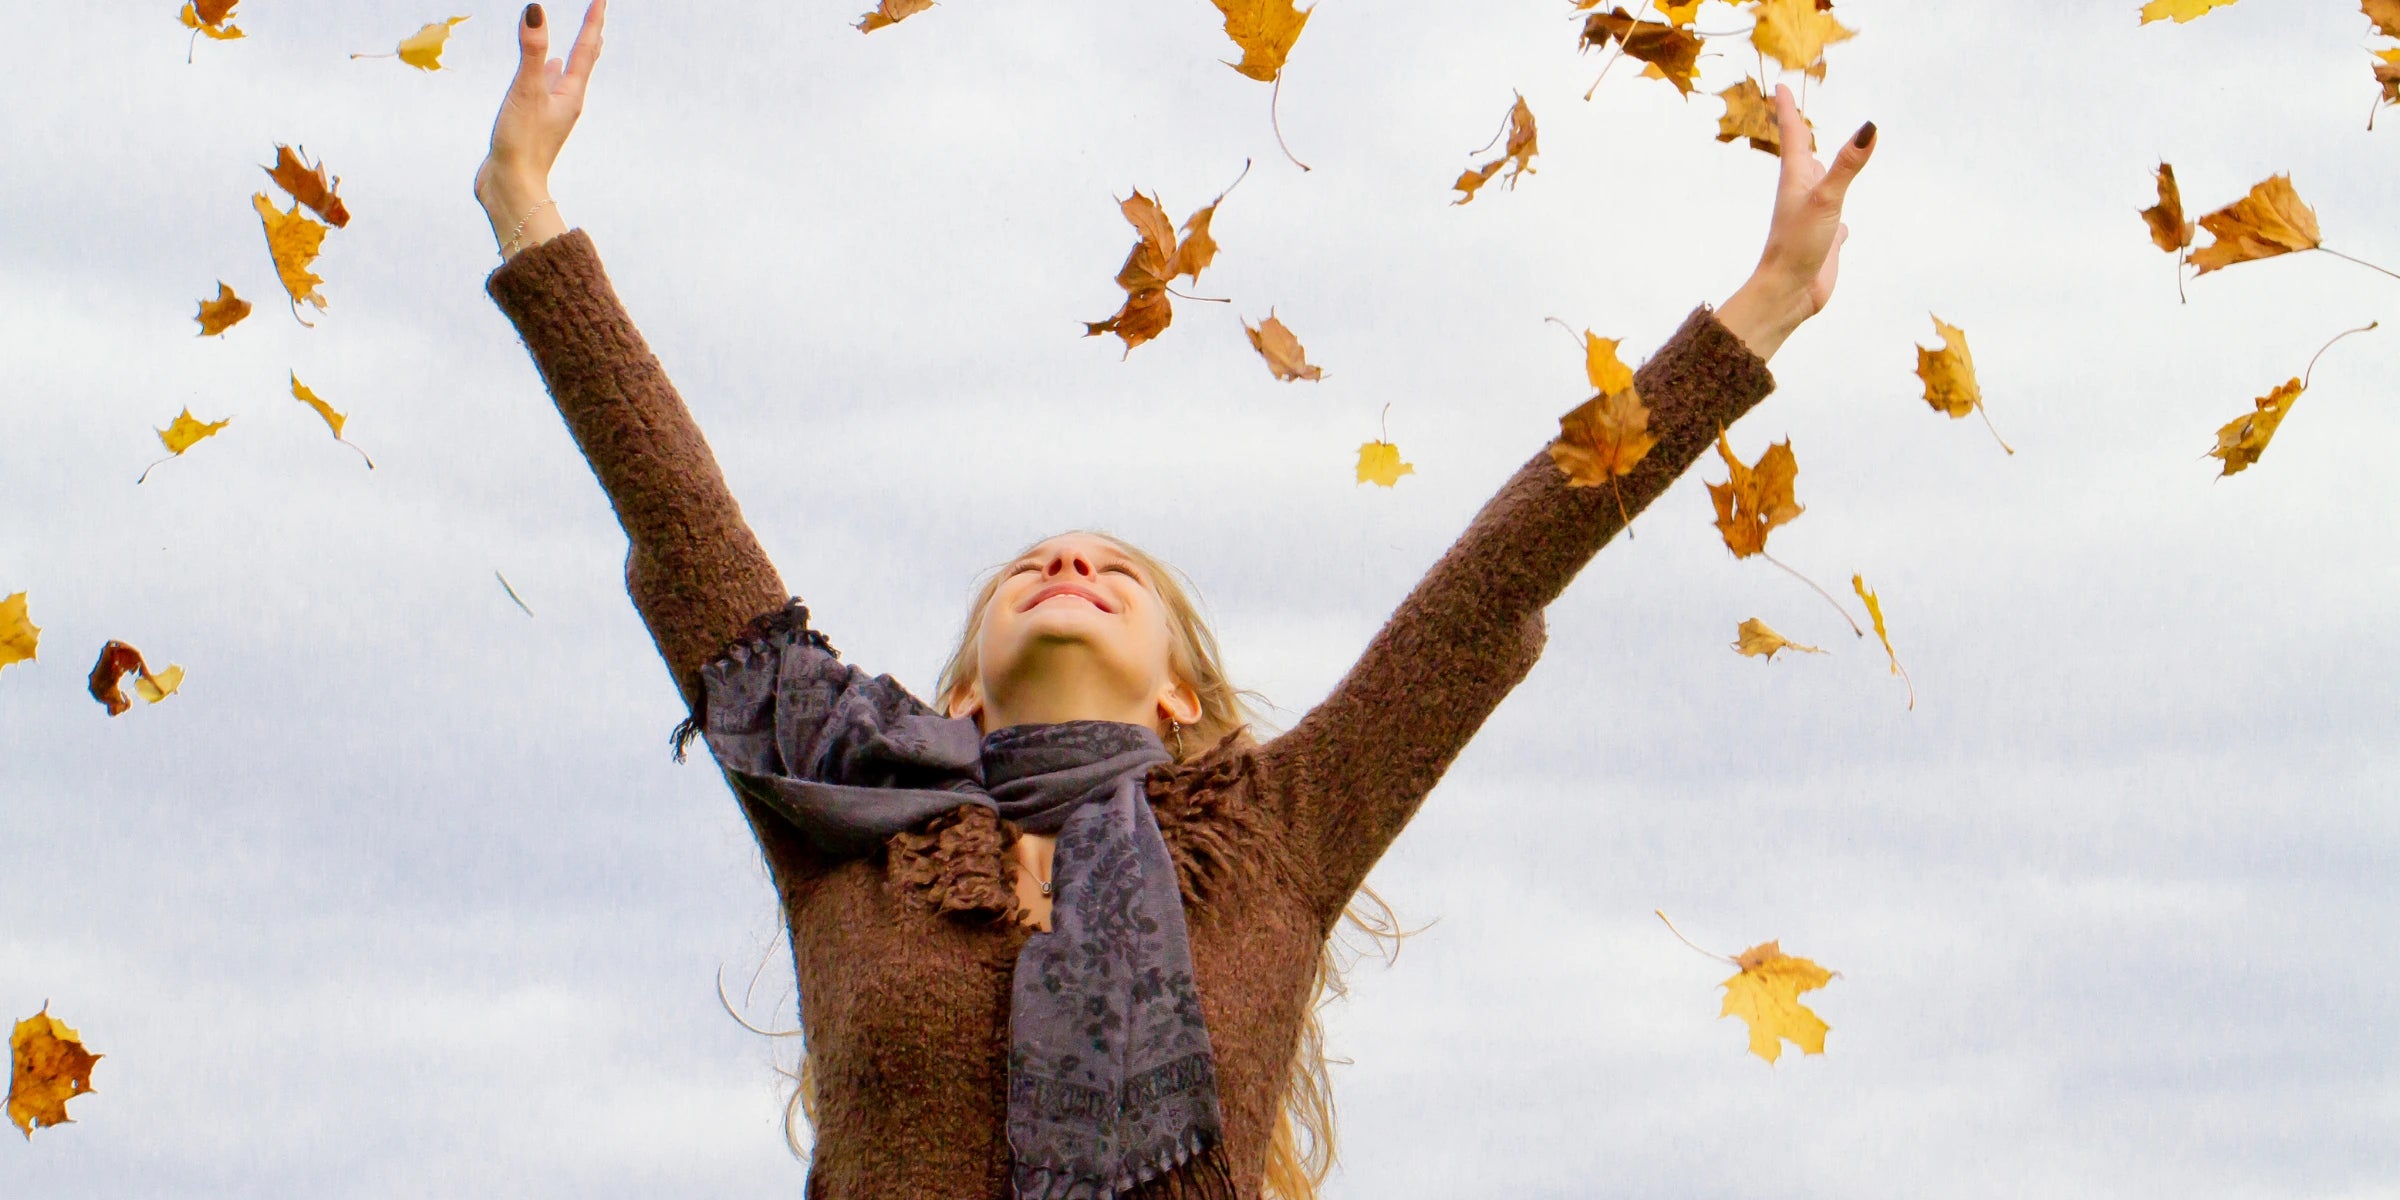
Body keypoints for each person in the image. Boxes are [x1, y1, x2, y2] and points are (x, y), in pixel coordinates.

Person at [474, 3, 1874, 1197]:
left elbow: (1489, 588)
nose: (1069, 564)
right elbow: (685, 525)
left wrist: (1760, 308)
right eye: (1030, 566)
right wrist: (525, 208)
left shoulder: (1278, 833)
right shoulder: (845, 823)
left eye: (1114, 570)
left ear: (1177, 699)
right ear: (958, 695)